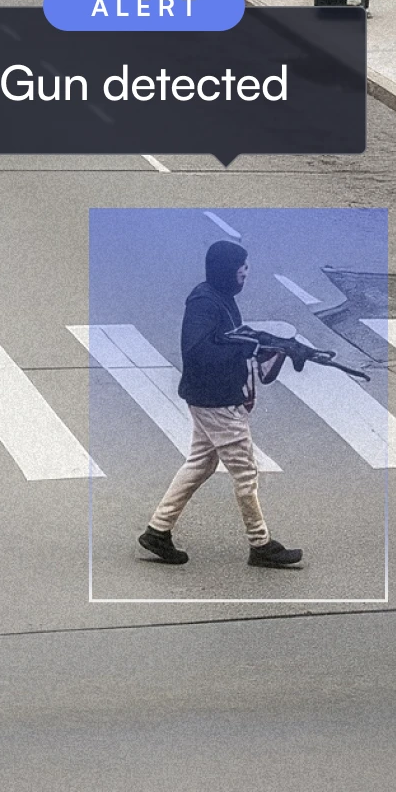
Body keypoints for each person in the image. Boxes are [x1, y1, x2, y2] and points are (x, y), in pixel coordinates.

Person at [138, 240, 303, 569]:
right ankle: (260, 544)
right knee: (245, 473)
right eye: (242, 267)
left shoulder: (220, 297)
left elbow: (234, 337)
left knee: (201, 464)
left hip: (211, 398)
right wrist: (247, 349)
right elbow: (198, 352)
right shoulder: (204, 304)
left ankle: (157, 531)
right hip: (217, 402)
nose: (246, 272)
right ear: (226, 270)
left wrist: (273, 345)